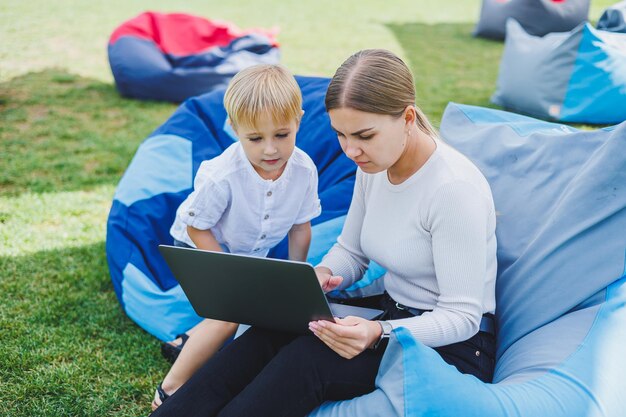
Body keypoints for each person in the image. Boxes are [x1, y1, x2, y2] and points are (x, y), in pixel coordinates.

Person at [149, 48, 497, 417]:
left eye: (363, 135)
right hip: (390, 314)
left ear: (408, 117)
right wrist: (323, 275)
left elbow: (463, 317)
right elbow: (351, 252)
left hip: (450, 347)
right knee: (270, 332)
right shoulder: (374, 164)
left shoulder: (453, 190)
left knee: (305, 358)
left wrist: (378, 334)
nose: (350, 150)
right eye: (341, 135)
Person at [151, 64, 322, 410]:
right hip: (200, 246)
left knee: (256, 307)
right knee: (229, 315)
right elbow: (197, 226)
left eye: (282, 135)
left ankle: (187, 340)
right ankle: (169, 389)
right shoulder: (223, 175)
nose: (270, 150)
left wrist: (295, 277)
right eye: (256, 139)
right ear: (235, 129)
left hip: (246, 250)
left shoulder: (304, 170)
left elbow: (300, 227)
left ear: (299, 121)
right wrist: (227, 275)